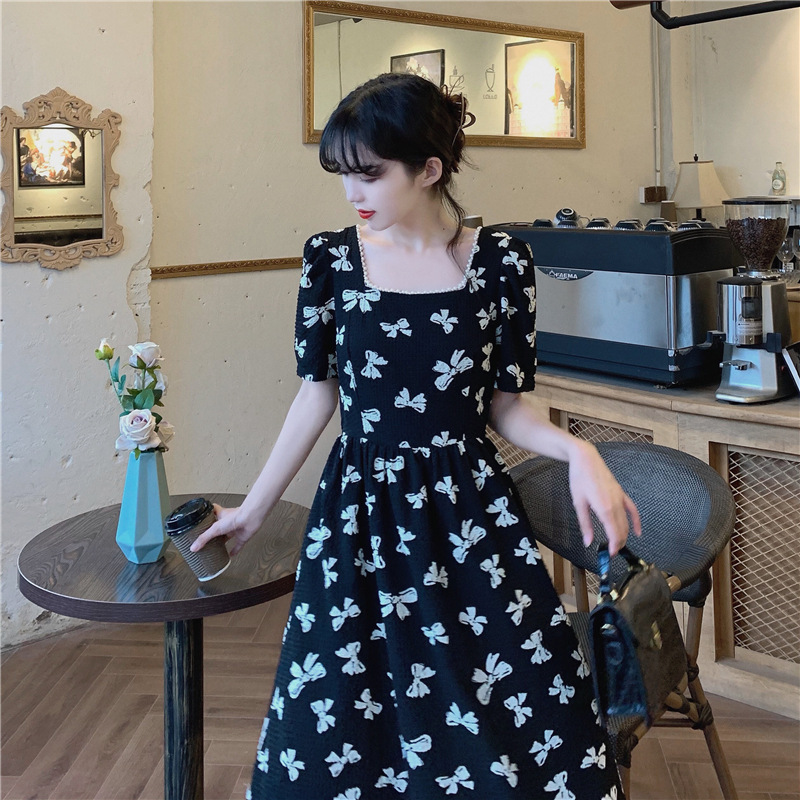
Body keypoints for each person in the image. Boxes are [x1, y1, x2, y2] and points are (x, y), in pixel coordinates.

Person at [192, 72, 641, 799]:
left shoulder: (502, 264)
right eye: (342, 174)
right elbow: (317, 396)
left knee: (519, 711)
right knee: (336, 719)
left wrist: (578, 449)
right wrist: (253, 510)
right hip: (360, 517)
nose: (352, 192)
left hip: (469, 519)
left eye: (369, 174)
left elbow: (506, 409)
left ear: (429, 170)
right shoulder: (331, 261)